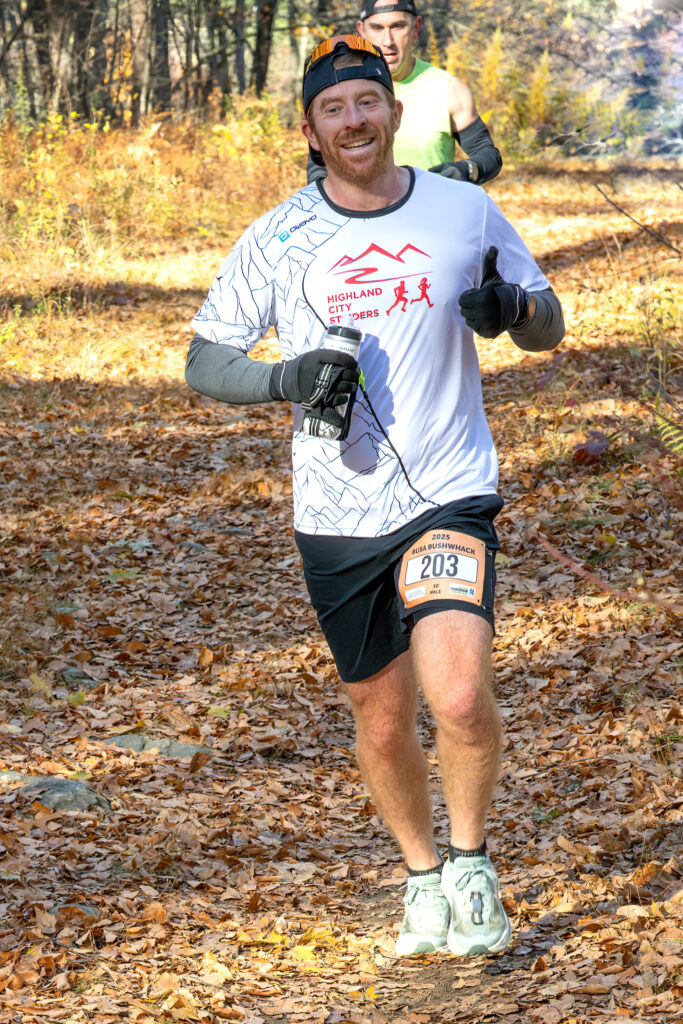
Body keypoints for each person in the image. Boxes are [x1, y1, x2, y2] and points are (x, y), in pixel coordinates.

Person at [185, 35, 564, 958]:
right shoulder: (279, 236)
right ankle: (421, 878)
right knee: (382, 716)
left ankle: (470, 864)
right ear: (310, 131)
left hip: (448, 488)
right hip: (337, 511)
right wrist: (285, 379)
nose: (352, 120)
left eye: (366, 101)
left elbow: (546, 323)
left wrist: (512, 312)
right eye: (333, 109)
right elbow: (204, 358)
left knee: (460, 694)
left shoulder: (463, 208)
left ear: (395, 112)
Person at [306, 0, 502, 186]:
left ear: (416, 28)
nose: (387, 40)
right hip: (357, 208)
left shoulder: (448, 88)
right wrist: (321, 195)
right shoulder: (340, 88)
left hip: (431, 205)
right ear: (362, 31)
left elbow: (488, 155)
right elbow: (318, 163)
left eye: (398, 26)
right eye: (376, 28)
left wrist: (464, 171)